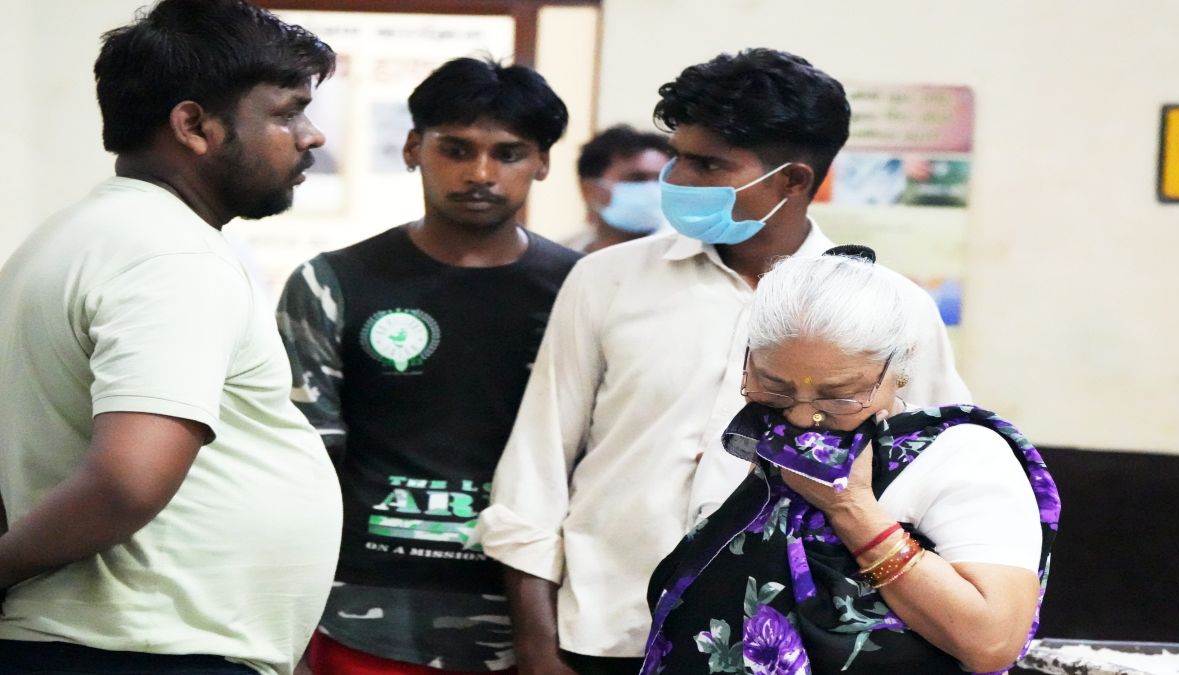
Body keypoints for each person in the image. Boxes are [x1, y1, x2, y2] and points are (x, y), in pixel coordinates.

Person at [477, 48, 971, 675]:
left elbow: (934, 488)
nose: (677, 178)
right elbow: (535, 474)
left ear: (793, 181)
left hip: (785, 648)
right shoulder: (605, 282)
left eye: (707, 163)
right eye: (679, 154)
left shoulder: (891, 310)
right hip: (604, 635)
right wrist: (538, 652)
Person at [0, 1, 341, 674]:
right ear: (193, 125)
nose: (311, 136)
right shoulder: (172, 256)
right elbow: (127, 481)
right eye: (286, 112)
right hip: (141, 646)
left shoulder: (79, 235)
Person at [277, 56, 579, 675]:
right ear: (414, 148)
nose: (481, 173)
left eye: (510, 153)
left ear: (543, 162)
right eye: (456, 149)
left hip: (539, 620)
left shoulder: (582, 291)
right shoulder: (332, 283)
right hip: (362, 611)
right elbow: (303, 465)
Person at [641, 248, 1059, 674]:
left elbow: (992, 642)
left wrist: (851, 508)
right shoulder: (758, 439)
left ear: (901, 365)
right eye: (775, 384)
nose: (804, 417)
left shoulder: (960, 457)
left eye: (838, 395)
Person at [560, 125, 673, 253]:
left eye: (661, 180)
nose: (653, 190)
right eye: (637, 179)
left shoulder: (689, 259)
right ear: (589, 190)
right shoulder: (558, 259)